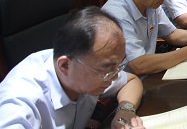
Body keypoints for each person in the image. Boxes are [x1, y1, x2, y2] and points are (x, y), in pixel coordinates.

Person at [0, 7, 145, 129]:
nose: (115, 76)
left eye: (118, 65)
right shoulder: (20, 102)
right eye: (107, 69)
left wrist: (125, 110)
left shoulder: (86, 65)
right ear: (65, 65)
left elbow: (131, 81)